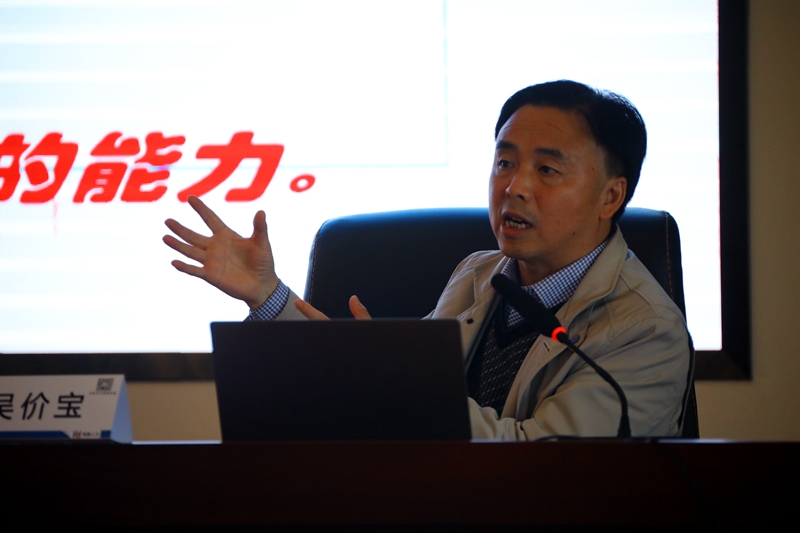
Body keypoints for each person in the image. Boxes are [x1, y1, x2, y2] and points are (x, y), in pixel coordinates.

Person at [164, 80, 692, 440]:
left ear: (610, 196)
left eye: (547, 170)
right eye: (504, 162)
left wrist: (390, 385)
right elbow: (382, 386)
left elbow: (537, 463)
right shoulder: (479, 273)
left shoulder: (647, 332)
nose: (514, 187)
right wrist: (268, 296)